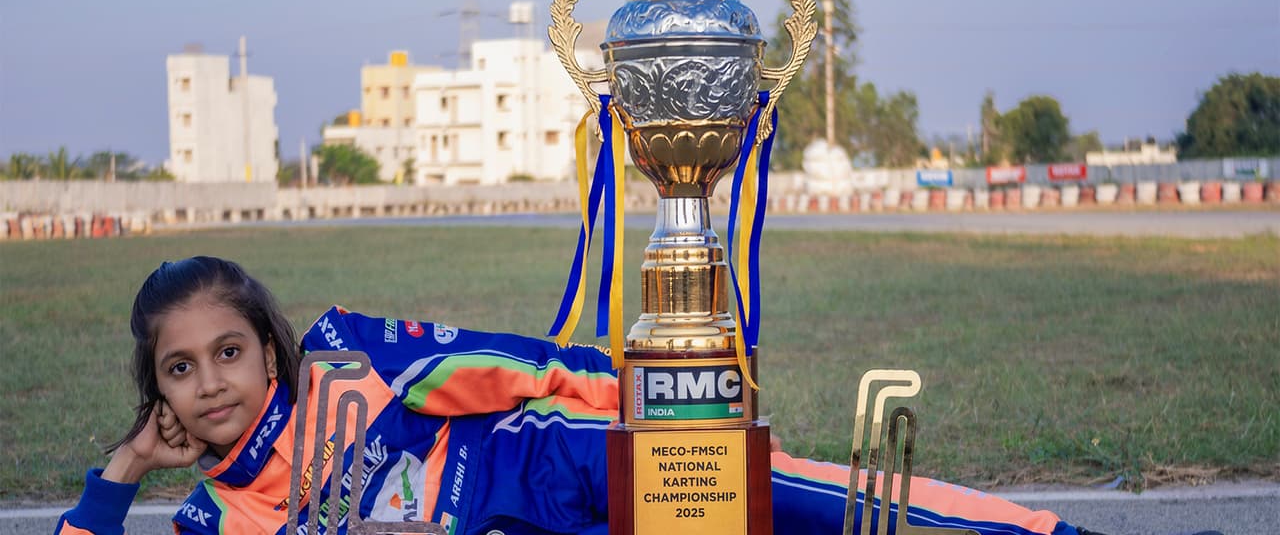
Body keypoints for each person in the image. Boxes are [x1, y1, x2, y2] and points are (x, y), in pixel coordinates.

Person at [56, 256, 1095, 535]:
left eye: (227, 352)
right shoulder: (213, 517)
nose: (210, 384)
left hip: (568, 461)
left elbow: (517, 365)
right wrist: (123, 469)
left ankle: (1039, 531)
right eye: (179, 370)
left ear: (268, 353)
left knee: (798, 504)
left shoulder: (338, 355)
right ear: (158, 396)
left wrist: (653, 407)